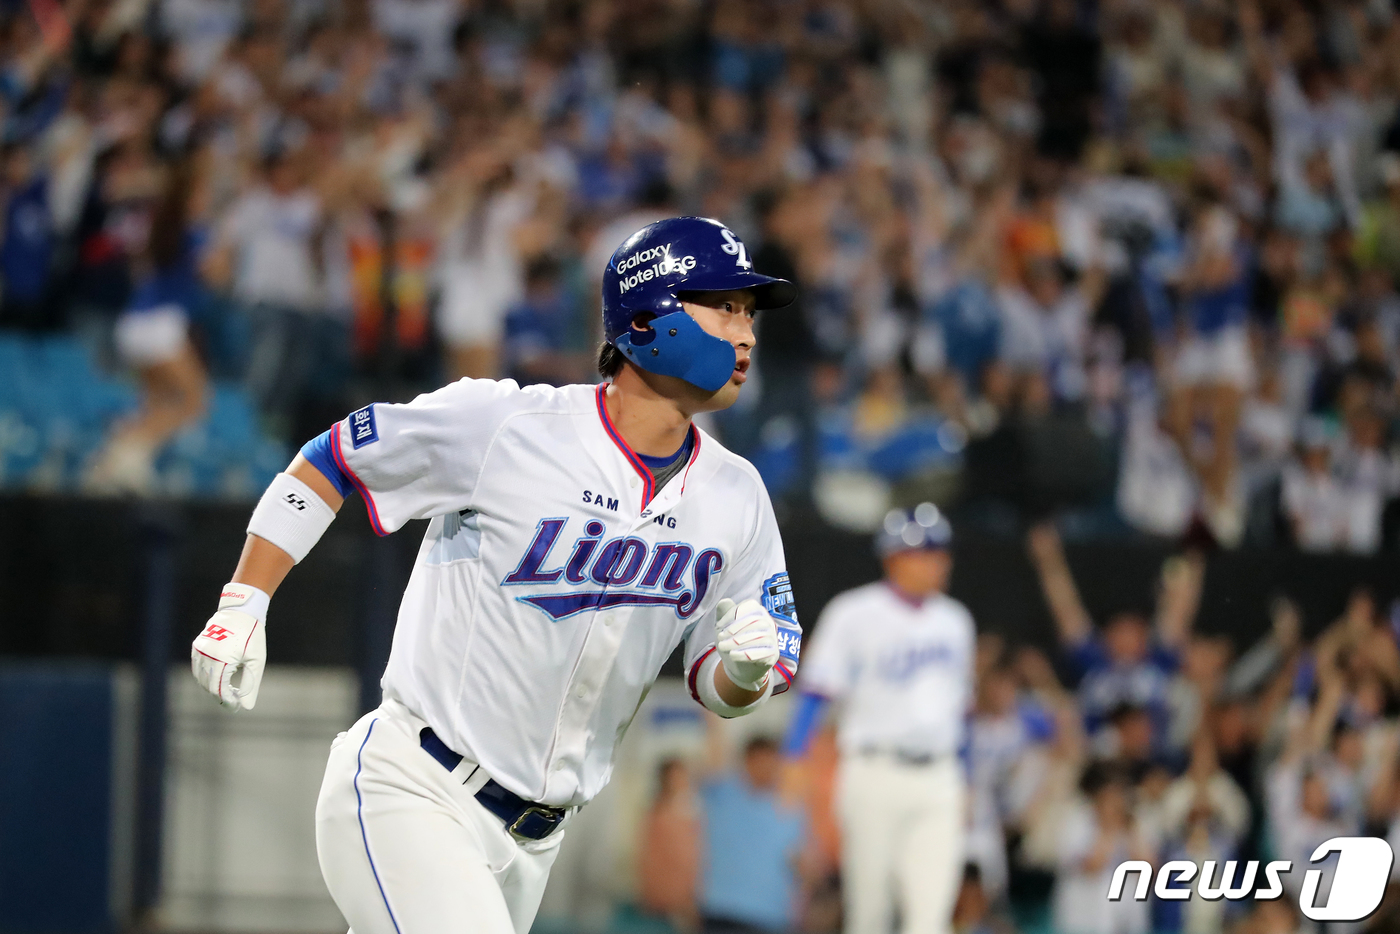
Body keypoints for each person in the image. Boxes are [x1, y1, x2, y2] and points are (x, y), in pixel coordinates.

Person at [187, 216, 804, 934]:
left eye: (749, 312)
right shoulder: (508, 424)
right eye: (725, 305)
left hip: (536, 844)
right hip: (416, 787)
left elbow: (724, 687)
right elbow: (334, 458)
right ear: (646, 317)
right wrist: (244, 599)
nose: (746, 332)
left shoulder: (738, 495)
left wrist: (746, 671)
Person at [784, 503, 975, 934]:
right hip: (874, 771)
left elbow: (961, 713)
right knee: (869, 912)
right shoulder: (853, 613)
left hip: (940, 776)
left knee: (931, 915)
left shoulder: (956, 621)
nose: (940, 562)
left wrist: (967, 777)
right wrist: (795, 755)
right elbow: (816, 692)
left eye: (941, 551)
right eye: (927, 552)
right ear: (895, 558)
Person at [696, 727, 808, 934]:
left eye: (772, 762)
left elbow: (802, 864)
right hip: (722, 911)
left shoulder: (790, 808)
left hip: (771, 917)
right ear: (746, 761)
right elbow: (714, 750)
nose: (766, 769)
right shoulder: (724, 794)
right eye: (760, 761)